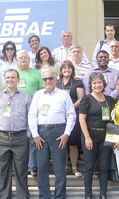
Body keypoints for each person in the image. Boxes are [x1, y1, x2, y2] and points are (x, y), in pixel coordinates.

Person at [28, 69, 76, 199]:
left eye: (50, 78)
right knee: (42, 168)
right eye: (45, 79)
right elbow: (32, 115)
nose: (48, 81)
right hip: (41, 134)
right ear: (42, 81)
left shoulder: (64, 95)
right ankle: (44, 196)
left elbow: (71, 115)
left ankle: (60, 196)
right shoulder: (38, 95)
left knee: (60, 168)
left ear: (56, 80)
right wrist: (35, 135)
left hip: (58, 133)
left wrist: (66, 134)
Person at [0, 69, 32, 199]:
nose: (10, 80)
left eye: (13, 77)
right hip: (2, 137)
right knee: (3, 171)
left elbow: (31, 116)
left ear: (18, 80)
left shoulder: (25, 96)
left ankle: (23, 196)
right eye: (7, 77)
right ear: (4, 79)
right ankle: (4, 196)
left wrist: (29, 134)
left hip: (20, 138)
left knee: (21, 171)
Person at [79, 72, 115, 199]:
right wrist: (87, 137)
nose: (97, 85)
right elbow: (82, 119)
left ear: (103, 84)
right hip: (90, 136)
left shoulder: (109, 99)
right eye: (94, 83)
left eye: (99, 82)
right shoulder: (86, 99)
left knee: (104, 167)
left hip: (106, 136)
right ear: (90, 85)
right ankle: (88, 194)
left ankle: (103, 193)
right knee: (89, 167)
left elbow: (114, 118)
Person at [15, 50, 44, 177]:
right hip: (16, 112)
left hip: (34, 111)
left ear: (29, 59)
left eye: (25, 57)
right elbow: (6, 89)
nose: (23, 59)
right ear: (17, 60)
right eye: (21, 57)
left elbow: (42, 91)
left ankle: (32, 167)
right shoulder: (13, 73)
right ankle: (17, 167)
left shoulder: (36, 73)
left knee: (33, 139)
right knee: (18, 140)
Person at [57, 60, 84, 177]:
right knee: (62, 143)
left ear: (72, 70)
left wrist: (70, 108)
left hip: (73, 115)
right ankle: (64, 167)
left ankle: (74, 167)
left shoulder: (77, 82)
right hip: (58, 116)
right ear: (61, 70)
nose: (66, 70)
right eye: (64, 68)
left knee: (72, 142)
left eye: (69, 68)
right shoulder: (56, 83)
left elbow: (81, 99)